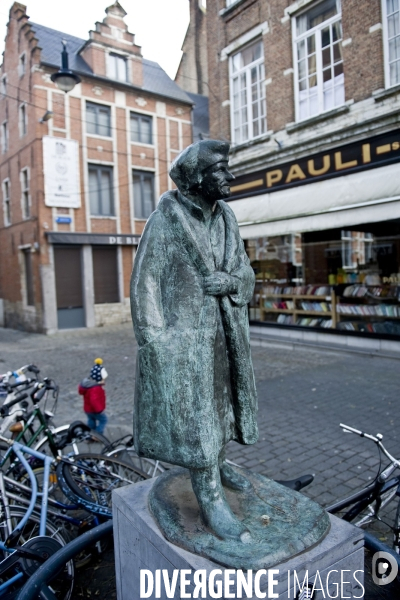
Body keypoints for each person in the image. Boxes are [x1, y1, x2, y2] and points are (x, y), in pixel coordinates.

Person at [131, 140, 258, 543]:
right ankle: (209, 495)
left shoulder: (227, 218)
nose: (230, 176)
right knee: (197, 418)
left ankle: (218, 464)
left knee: (222, 409)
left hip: (226, 335)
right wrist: (156, 345)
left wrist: (232, 282)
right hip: (185, 347)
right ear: (197, 178)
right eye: (220, 169)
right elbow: (144, 284)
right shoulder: (165, 221)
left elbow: (245, 270)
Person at [78, 358, 108, 435]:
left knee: (91, 420)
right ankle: (97, 434)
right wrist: (99, 410)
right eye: (103, 379)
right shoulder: (96, 388)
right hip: (95, 410)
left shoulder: (88, 385)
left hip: (88, 409)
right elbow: (94, 400)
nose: (104, 381)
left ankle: (89, 434)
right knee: (104, 420)